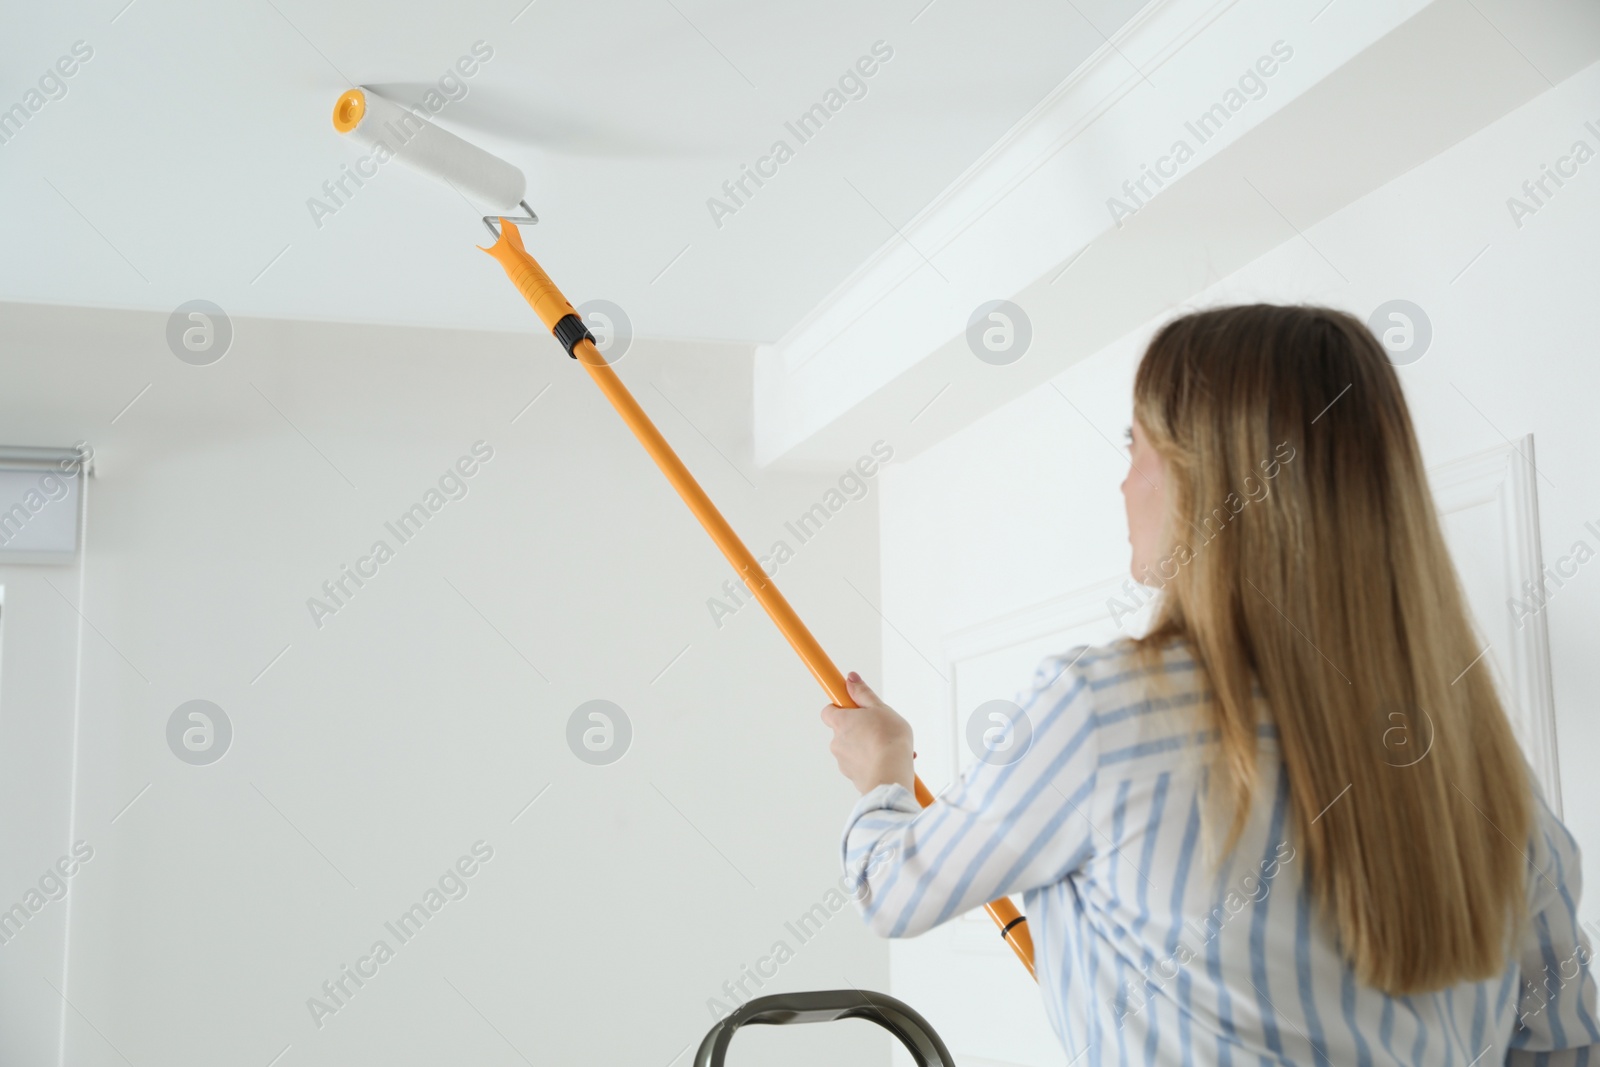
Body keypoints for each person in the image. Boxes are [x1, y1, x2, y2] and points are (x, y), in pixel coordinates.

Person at [821, 304, 1598, 1065]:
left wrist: (882, 770)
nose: (1124, 484)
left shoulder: (1105, 710)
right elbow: (1563, 1043)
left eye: (1136, 445)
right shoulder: (1491, 771)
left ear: (1208, 476)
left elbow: (892, 890)